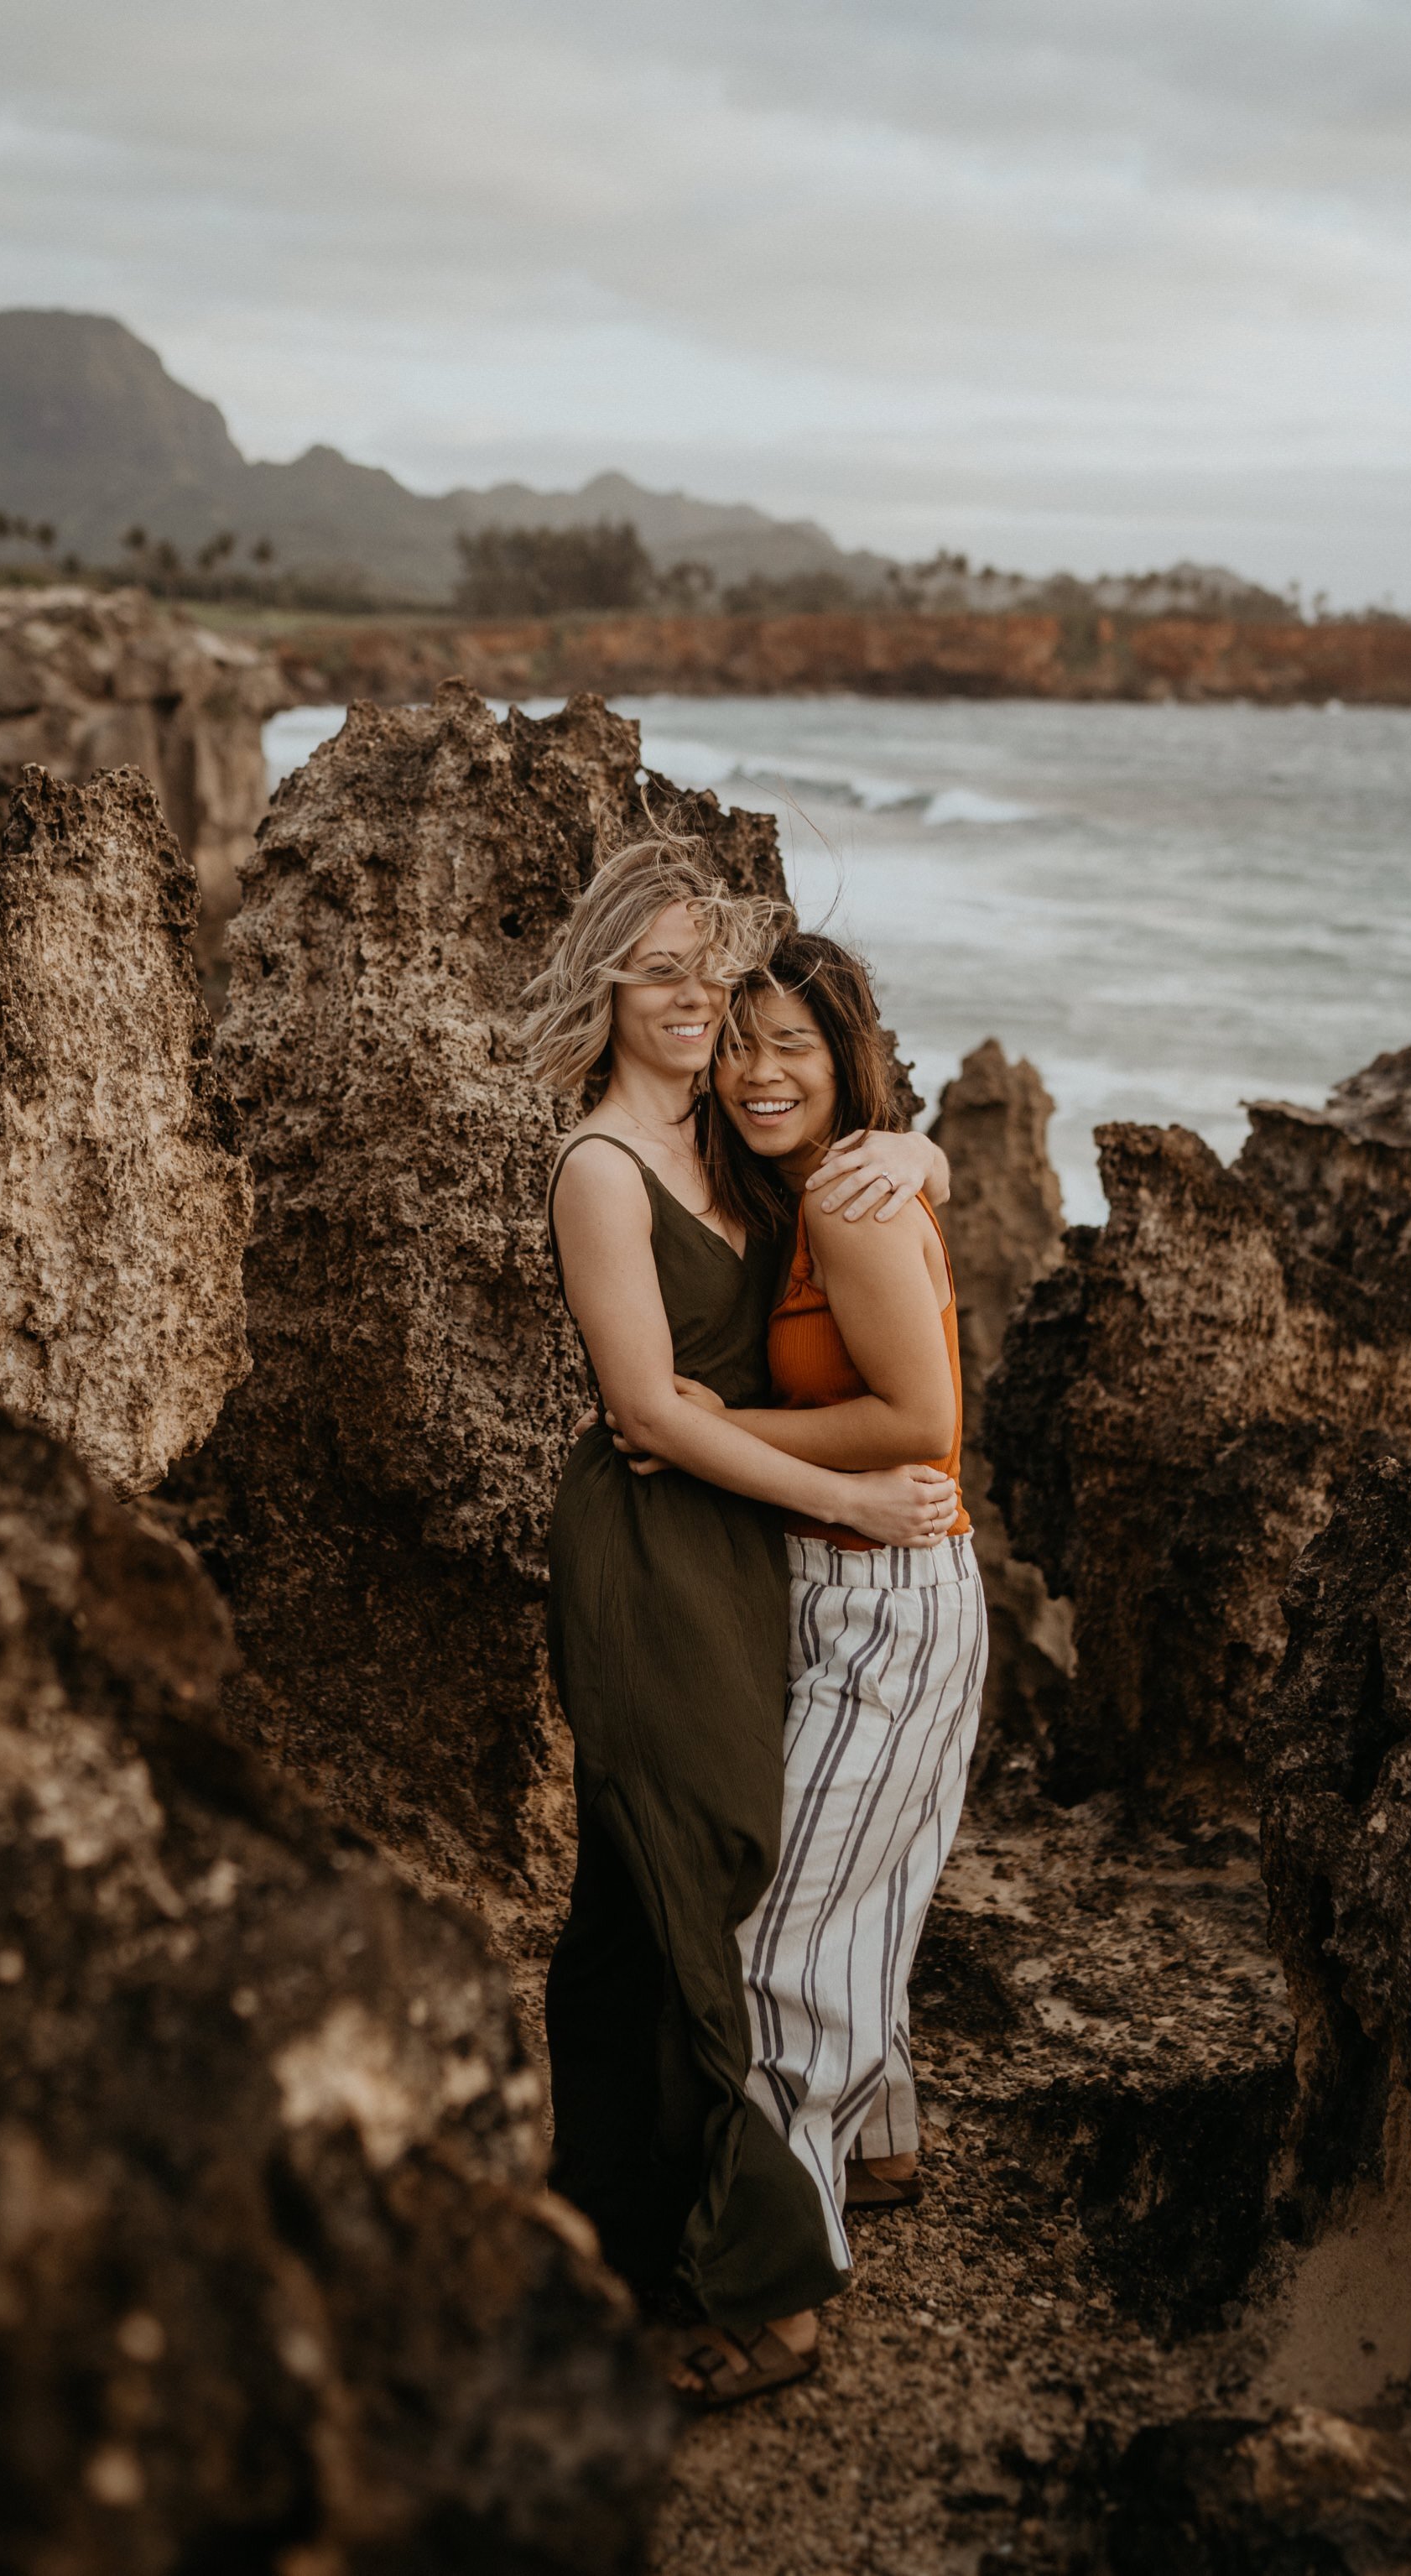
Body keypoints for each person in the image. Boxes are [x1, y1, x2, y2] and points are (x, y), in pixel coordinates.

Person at [523, 833, 956, 2408]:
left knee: (693, 1878)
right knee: (671, 1873)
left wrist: (928, 1159)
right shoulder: (600, 1165)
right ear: (611, 987)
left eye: (710, 971)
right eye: (664, 974)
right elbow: (646, 1404)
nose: (699, 999)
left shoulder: (723, 1130)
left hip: (748, 1543)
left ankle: (664, 2226)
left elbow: (841, 1128)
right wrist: (846, 1500)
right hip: (652, 1549)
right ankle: (664, 2250)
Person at [632, 929, 987, 2319]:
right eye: (737, 1040)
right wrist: (928, 1152)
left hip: (888, 1601)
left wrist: (726, 1424)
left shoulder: (844, 1200)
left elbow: (924, 1423)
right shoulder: (822, 1181)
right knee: (860, 1893)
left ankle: (767, 2296)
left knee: (776, 1948)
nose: (758, 1070)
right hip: (859, 1592)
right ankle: (874, 2151)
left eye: (795, 1044)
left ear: (849, 1061)